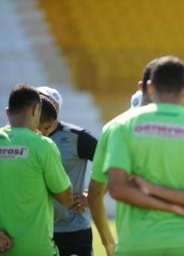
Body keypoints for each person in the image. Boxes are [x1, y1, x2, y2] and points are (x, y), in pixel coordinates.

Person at [105, 55, 184, 256]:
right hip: (180, 245)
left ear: (149, 87)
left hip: (134, 244)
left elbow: (117, 189)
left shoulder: (123, 126)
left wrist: (153, 190)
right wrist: (174, 207)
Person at [87, 58, 157, 256]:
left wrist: (108, 243)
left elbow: (96, 193)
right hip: (178, 241)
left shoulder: (116, 128)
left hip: (133, 242)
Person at [0, 83, 72, 255]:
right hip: (37, 249)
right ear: (35, 110)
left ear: (8, 112)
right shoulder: (44, 146)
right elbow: (66, 197)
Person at [38, 86, 98, 256]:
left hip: (73, 230)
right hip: (37, 230)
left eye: (45, 101)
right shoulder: (24, 139)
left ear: (55, 108)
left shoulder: (77, 136)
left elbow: (110, 164)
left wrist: (91, 196)